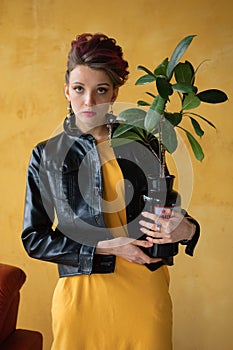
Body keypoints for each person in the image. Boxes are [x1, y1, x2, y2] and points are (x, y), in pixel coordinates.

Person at [22, 33, 200, 350]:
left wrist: (186, 228)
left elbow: (169, 213)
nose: (88, 101)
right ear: (67, 90)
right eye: (79, 89)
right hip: (80, 297)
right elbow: (34, 238)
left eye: (100, 90)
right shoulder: (47, 155)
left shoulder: (146, 143)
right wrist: (107, 247)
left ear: (115, 92)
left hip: (145, 294)